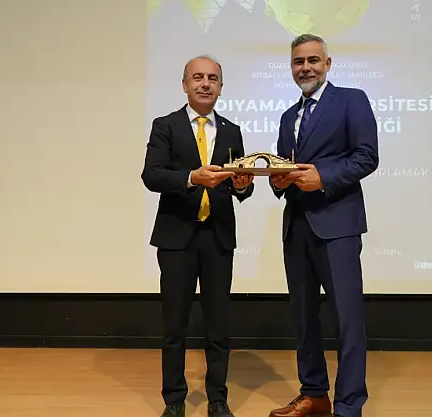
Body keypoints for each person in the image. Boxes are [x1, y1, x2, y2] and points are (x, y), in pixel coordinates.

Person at [268, 34, 379, 417]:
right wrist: (276, 179)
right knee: (303, 319)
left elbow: (367, 157)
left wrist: (323, 177)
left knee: (347, 320)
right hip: (296, 228)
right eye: (299, 62)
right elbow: (284, 167)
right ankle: (314, 394)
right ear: (291, 67)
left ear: (327, 64)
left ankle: (348, 406)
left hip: (338, 226)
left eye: (313, 60)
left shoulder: (352, 100)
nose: (306, 68)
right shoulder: (288, 116)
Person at [141, 54, 255, 417]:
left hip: (217, 237)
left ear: (221, 87)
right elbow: (152, 175)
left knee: (218, 324)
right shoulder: (166, 126)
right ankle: (174, 399)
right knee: (175, 324)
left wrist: (242, 185)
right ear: (185, 84)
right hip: (177, 238)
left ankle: (217, 398)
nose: (205, 84)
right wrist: (192, 177)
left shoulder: (232, 130)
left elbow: (241, 187)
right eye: (198, 78)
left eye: (212, 78)